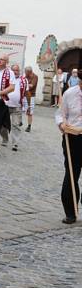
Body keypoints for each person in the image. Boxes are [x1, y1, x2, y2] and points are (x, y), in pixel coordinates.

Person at [57, 78, 82, 224]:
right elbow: (60, 113)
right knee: (72, 174)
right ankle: (70, 212)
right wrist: (61, 123)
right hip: (73, 138)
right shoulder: (69, 93)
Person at [24, 66, 38, 131]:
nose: (25, 73)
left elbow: (31, 86)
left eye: (26, 72)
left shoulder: (35, 76)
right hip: (24, 95)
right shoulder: (25, 76)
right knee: (20, 109)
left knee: (29, 112)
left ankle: (29, 126)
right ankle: (19, 122)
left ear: (29, 72)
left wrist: (24, 84)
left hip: (31, 96)